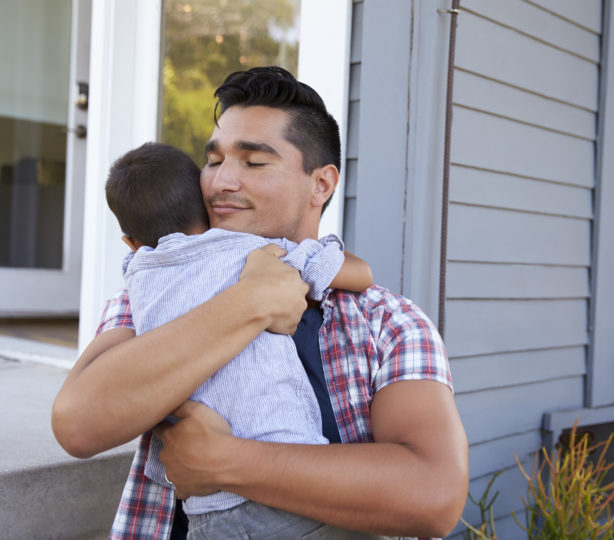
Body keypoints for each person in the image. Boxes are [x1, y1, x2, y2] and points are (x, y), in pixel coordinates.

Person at [52, 66, 468, 540]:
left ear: (322, 185)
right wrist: (249, 302)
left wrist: (224, 462)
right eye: (213, 160)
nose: (220, 182)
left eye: (253, 163)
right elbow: (79, 425)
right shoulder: (150, 292)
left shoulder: (388, 323)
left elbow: (434, 496)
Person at [104, 140, 375, 538]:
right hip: (291, 483)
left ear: (130, 243)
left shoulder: (136, 281)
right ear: (207, 208)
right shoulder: (251, 250)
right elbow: (357, 274)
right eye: (214, 163)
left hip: (205, 508)